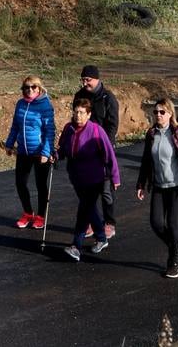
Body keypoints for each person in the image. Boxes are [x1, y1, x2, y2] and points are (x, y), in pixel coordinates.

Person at [136, 98, 178, 279]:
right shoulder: (151, 134)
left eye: (162, 112)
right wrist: (141, 184)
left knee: (173, 224)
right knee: (156, 223)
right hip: (158, 185)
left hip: (177, 186)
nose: (158, 115)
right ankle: (174, 244)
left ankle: (173, 264)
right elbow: (146, 162)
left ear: (170, 114)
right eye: (156, 112)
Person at [57, 97, 121, 261]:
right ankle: (101, 238)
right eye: (76, 112)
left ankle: (76, 246)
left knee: (84, 210)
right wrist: (55, 156)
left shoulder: (96, 131)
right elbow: (63, 149)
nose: (78, 116)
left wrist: (115, 176)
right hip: (77, 178)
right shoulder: (68, 129)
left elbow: (109, 155)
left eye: (82, 113)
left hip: (95, 178)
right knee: (90, 209)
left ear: (89, 114)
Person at [74, 64, 119, 239]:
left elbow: (112, 125)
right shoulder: (79, 96)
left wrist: (103, 144)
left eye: (88, 80)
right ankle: (92, 222)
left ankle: (109, 223)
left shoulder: (108, 98)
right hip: (84, 151)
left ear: (97, 79)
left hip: (104, 148)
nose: (85, 83)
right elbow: (76, 119)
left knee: (106, 191)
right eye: (83, 80)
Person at [5, 75, 55, 229]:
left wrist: (46, 153)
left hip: (40, 153)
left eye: (33, 87)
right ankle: (28, 213)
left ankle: (40, 216)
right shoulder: (20, 104)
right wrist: (9, 143)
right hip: (23, 151)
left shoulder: (45, 105)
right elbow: (15, 126)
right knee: (20, 183)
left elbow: (50, 131)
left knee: (41, 185)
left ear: (39, 88)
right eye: (26, 87)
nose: (30, 90)